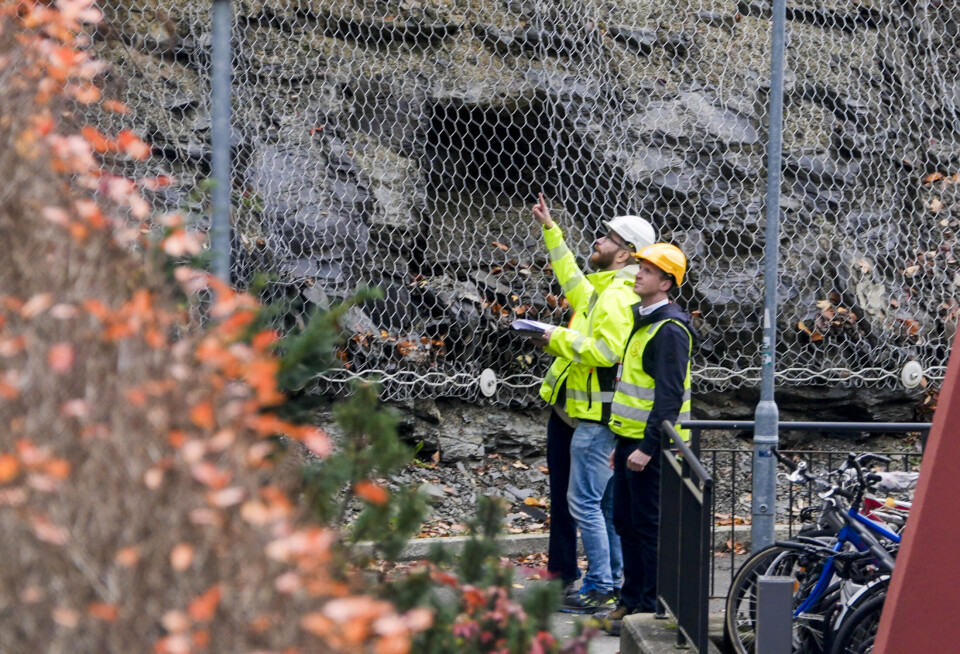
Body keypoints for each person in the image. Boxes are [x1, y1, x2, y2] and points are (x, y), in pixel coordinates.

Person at [530, 193, 656, 613]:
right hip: (588, 415)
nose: (597, 241)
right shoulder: (607, 290)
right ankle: (612, 582)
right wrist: (552, 232)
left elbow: (605, 351)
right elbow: (571, 279)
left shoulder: (617, 297)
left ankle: (601, 585)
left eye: (607, 238)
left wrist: (555, 337)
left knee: (586, 503)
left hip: (595, 418)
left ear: (624, 254)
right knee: (601, 505)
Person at [603, 243, 695, 635]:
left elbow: (668, 398)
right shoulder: (645, 321)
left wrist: (646, 447)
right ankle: (631, 599)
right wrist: (622, 444)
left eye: (648, 270)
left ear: (666, 282)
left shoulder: (669, 330)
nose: (638, 273)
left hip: (655, 448)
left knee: (647, 526)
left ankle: (648, 607)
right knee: (626, 521)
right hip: (632, 443)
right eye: (639, 267)